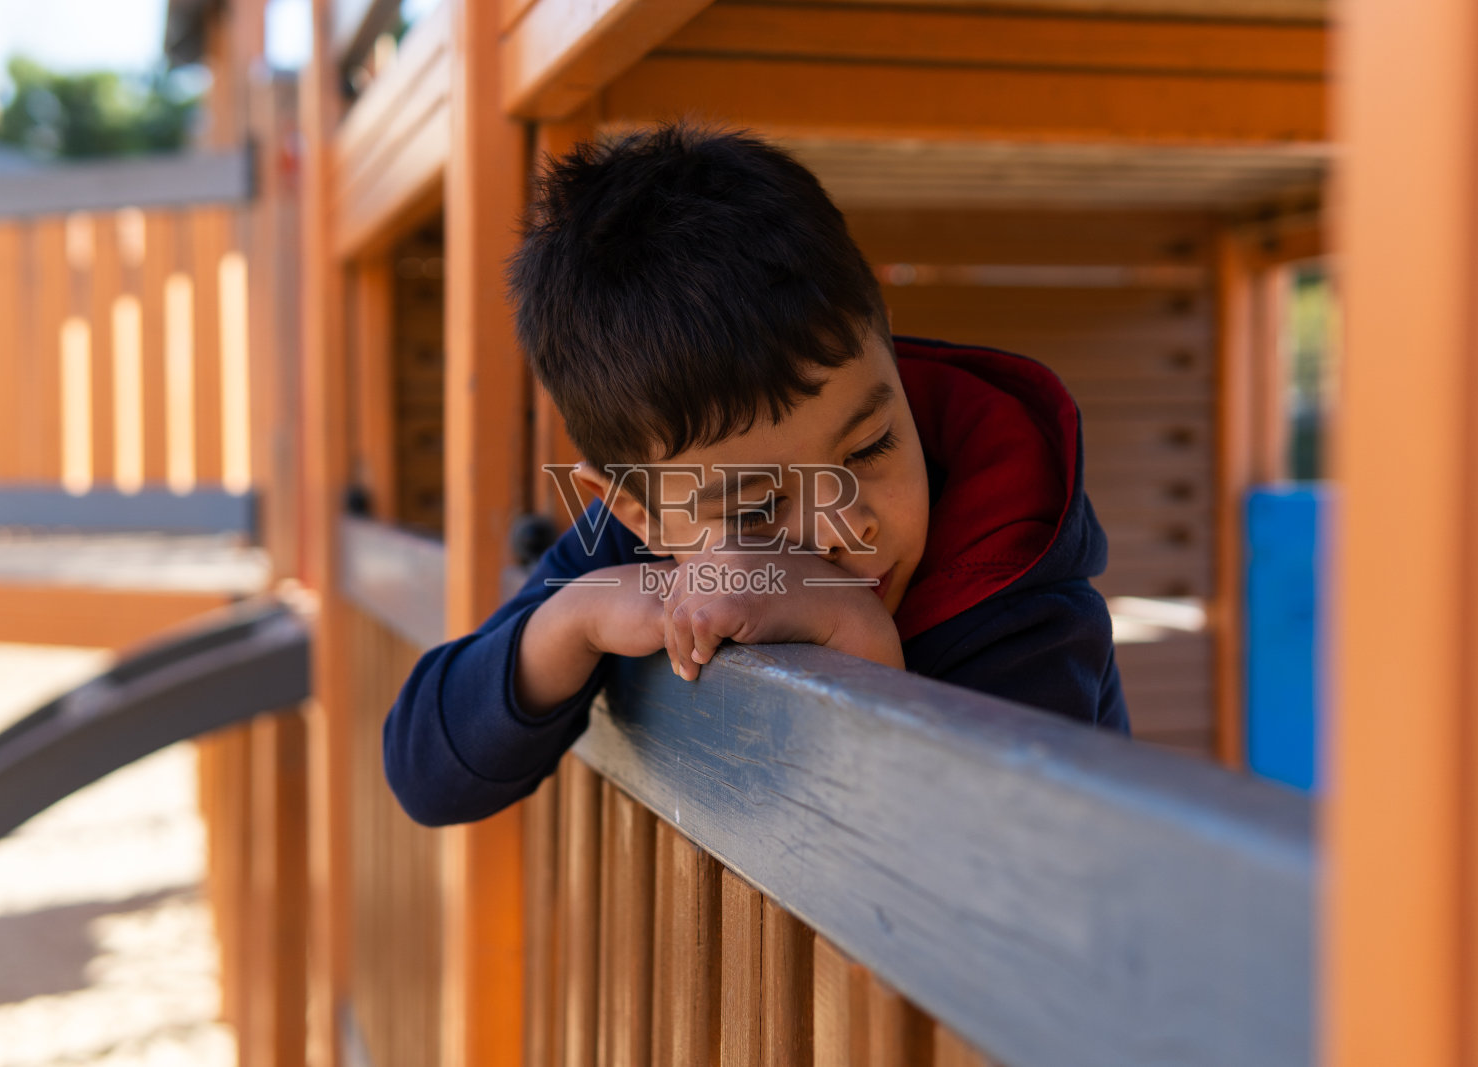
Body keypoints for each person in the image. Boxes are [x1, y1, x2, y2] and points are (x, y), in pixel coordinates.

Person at [384, 122, 1129, 827]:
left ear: (892, 359)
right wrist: (571, 619)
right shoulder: (645, 549)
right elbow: (423, 770)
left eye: (869, 448)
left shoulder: (1026, 602)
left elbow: (979, 893)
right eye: (759, 505)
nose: (846, 522)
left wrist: (855, 635)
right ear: (641, 514)